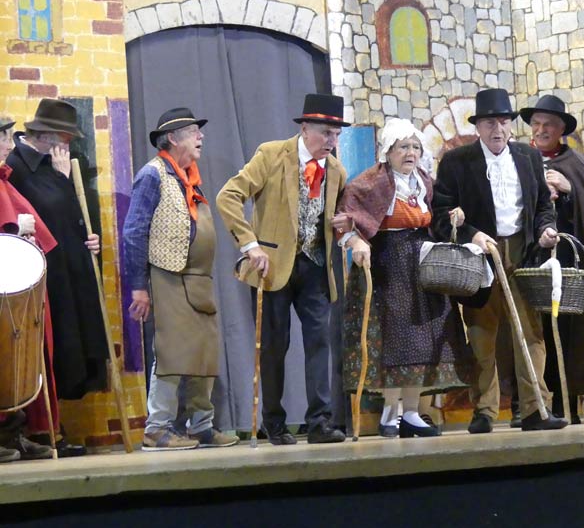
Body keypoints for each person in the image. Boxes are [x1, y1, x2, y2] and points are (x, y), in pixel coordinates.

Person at [432, 88, 568, 433]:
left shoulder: (528, 157)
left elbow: (542, 205)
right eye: (490, 123)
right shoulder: (457, 162)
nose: (498, 129)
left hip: (522, 252)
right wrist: (472, 234)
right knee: (481, 336)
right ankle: (485, 410)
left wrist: (546, 229)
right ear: (478, 127)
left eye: (504, 122)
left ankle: (536, 408)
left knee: (531, 333)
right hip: (480, 258)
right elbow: (440, 214)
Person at [217, 94, 348, 445]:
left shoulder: (336, 171)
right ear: (304, 129)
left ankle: (319, 422)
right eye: (325, 133)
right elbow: (228, 196)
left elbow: (336, 218)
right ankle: (273, 422)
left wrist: (345, 225)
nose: (331, 141)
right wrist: (250, 245)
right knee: (274, 346)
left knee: (320, 342)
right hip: (272, 266)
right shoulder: (272, 155)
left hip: (315, 267)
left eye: (336, 135)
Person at [333, 118, 475, 438]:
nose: (410, 153)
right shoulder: (369, 184)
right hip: (387, 265)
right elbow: (343, 221)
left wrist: (453, 217)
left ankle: (410, 413)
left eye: (415, 147)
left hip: (420, 264)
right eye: (403, 147)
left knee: (421, 340)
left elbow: (436, 218)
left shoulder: (424, 182)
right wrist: (355, 242)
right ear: (388, 151)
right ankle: (390, 412)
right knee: (394, 339)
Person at [124, 108, 239, 451]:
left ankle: (201, 425)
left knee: (204, 353)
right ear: (173, 138)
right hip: (169, 275)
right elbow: (134, 231)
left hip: (199, 278)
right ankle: (157, 428)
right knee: (172, 353)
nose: (201, 136)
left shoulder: (189, 177)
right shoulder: (153, 175)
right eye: (192, 132)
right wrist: (139, 286)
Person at [519, 95, 584, 423]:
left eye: (548, 124)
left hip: (568, 266)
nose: (541, 130)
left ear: (561, 129)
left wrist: (569, 188)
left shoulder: (577, 164)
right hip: (532, 263)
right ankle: (532, 404)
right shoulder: (521, 160)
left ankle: (566, 405)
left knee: (567, 334)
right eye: (536, 124)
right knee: (533, 332)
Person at [5, 99, 108, 404]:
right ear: (48, 135)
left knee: (78, 347)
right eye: (66, 137)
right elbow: (38, 216)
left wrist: (88, 237)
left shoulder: (61, 164)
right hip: (46, 279)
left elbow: (70, 217)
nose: (69, 144)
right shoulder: (17, 167)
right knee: (53, 350)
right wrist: (63, 182)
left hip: (72, 271)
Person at [0, 117, 56, 461]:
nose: (9, 145)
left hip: (16, 292)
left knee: (19, 360)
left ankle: (14, 433)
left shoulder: (6, 183)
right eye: (4, 138)